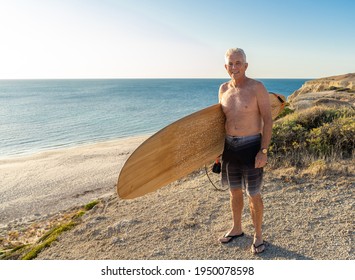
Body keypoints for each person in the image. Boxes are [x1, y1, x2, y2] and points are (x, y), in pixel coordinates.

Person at [218, 48, 272, 254]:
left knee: (254, 194)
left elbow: (268, 120)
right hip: (229, 147)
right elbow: (219, 122)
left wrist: (263, 151)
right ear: (225, 67)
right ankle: (237, 228)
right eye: (230, 64)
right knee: (234, 192)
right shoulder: (223, 89)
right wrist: (215, 151)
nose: (234, 67)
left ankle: (258, 235)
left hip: (251, 146)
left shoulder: (257, 87)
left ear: (246, 65)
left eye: (238, 63)